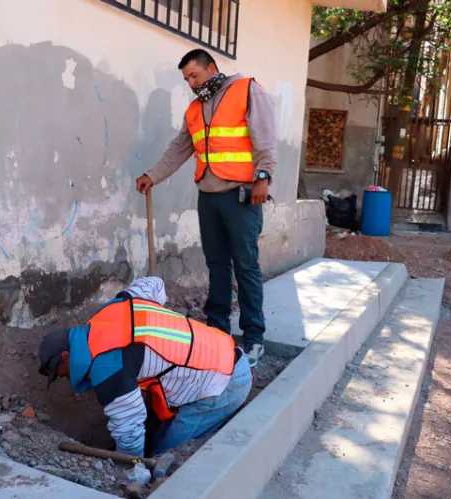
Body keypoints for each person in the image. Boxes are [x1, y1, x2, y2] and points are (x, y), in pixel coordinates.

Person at [135, 49, 277, 368]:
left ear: (211, 68)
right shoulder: (195, 110)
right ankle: (217, 331)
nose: (191, 83)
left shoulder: (247, 90)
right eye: (186, 79)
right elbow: (179, 149)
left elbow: (266, 139)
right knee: (216, 265)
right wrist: (152, 175)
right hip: (209, 196)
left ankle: (254, 337)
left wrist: (263, 177)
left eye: (194, 76)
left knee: (246, 266)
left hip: (242, 194)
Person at [37, 277, 252, 458]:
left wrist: (126, 471)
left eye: (59, 372)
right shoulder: (111, 311)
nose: (63, 377)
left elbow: (129, 431)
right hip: (224, 352)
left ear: (66, 356)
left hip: (223, 385)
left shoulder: (107, 368)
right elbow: (154, 284)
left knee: (163, 456)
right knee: (157, 433)